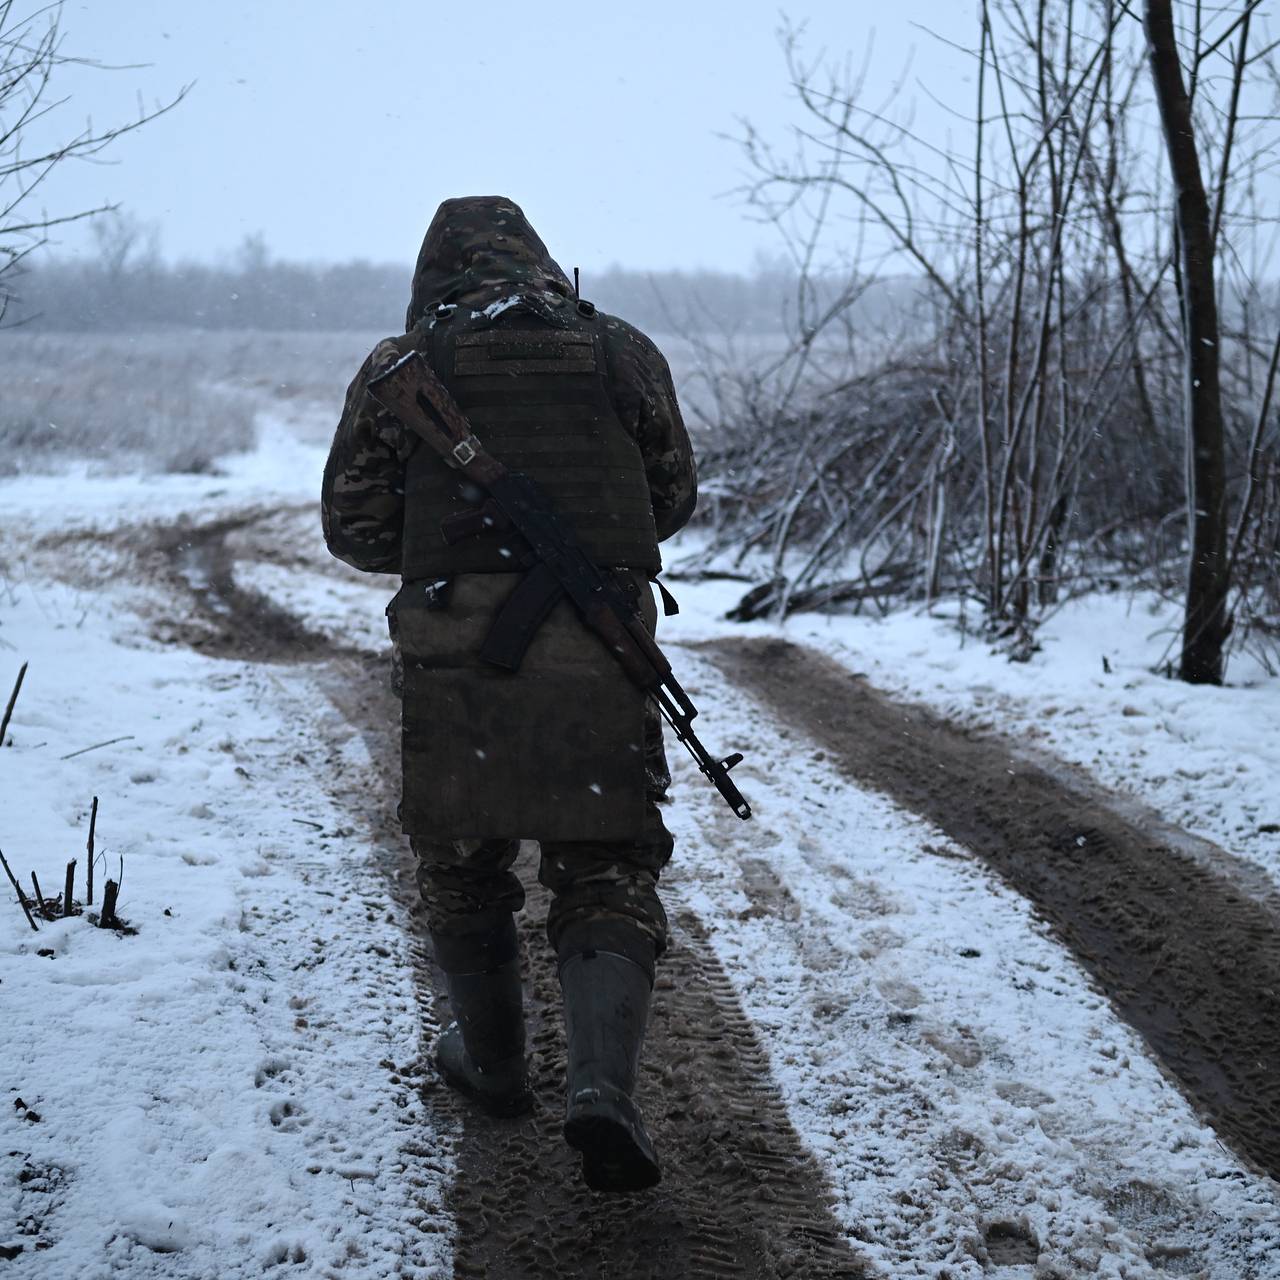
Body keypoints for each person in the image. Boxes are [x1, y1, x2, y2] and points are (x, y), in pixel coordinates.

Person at [320, 196, 697, 1194]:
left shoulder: (402, 369)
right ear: (539, 264)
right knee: (606, 863)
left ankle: (491, 1064)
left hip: (457, 656)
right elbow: (669, 500)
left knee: (461, 856)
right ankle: (600, 1090)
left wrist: (446, 526)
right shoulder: (620, 351)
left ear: (436, 276)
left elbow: (353, 528)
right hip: (602, 647)